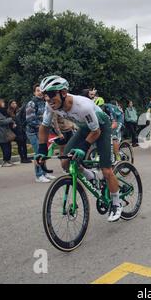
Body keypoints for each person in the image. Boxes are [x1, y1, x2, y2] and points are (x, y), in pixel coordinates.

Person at [35, 75, 123, 222]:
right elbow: (44, 127)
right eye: (45, 96)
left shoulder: (83, 105)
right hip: (84, 128)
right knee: (66, 162)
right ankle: (91, 176)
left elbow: (96, 132)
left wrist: (83, 147)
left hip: (100, 127)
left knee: (106, 170)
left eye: (51, 94)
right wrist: (42, 150)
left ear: (63, 93)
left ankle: (116, 203)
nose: (48, 99)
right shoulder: (50, 105)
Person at [26, 84, 56, 183]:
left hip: (42, 132)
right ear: (34, 92)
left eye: (41, 91)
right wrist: (42, 126)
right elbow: (30, 119)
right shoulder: (31, 103)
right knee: (38, 153)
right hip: (33, 132)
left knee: (44, 152)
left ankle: (44, 172)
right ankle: (39, 175)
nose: (40, 92)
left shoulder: (44, 102)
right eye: (37, 90)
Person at [0, 99, 15, 167]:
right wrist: (10, 119)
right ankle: (5, 161)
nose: (4, 104)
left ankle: (8, 160)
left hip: (5, 133)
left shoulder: (1, 111)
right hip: (1, 133)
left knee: (8, 146)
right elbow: (1, 122)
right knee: (5, 148)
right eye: (2, 102)